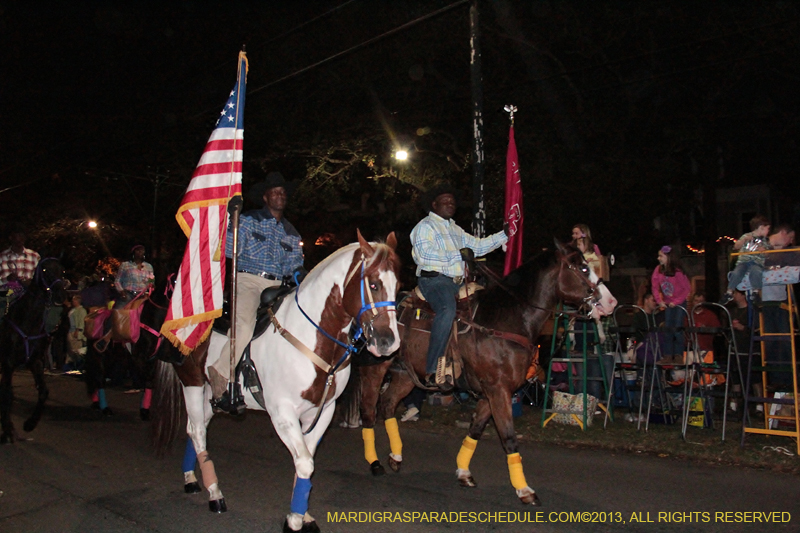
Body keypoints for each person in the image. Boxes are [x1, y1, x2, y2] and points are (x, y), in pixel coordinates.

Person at [209, 171, 304, 411]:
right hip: (248, 280)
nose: (280, 196)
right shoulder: (249, 220)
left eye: (283, 193)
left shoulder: (291, 232)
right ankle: (220, 374)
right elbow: (229, 249)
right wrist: (233, 218)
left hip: (277, 286)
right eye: (275, 192)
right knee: (243, 326)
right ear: (265, 197)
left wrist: (299, 273)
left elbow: (293, 264)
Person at [411, 183, 508, 390]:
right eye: (445, 201)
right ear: (434, 204)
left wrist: (504, 234)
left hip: (457, 282)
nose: (450, 204)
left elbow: (479, 245)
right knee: (447, 310)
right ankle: (432, 369)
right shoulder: (424, 227)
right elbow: (424, 255)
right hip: (435, 281)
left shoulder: (455, 229)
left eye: (452, 202)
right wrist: (458, 254)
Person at [760, 223, 795, 389]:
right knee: (770, 342)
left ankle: (789, 380)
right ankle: (774, 379)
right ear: (783, 233)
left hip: (781, 302)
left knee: (786, 341)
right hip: (766, 302)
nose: (790, 242)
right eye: (790, 237)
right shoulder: (763, 248)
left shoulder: (784, 253)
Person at [720, 215, 771, 305]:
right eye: (767, 229)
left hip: (756, 262)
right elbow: (736, 247)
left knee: (756, 271)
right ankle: (729, 292)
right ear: (761, 228)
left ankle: (756, 291)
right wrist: (743, 240)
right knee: (736, 273)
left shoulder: (765, 241)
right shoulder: (746, 236)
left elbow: (767, 255)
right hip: (744, 261)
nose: (768, 231)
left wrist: (763, 251)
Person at [651, 245, 691, 361]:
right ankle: (667, 355)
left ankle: (678, 355)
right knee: (668, 329)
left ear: (668, 257)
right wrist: (660, 301)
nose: (659, 258)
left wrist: (677, 301)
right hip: (668, 303)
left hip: (679, 303)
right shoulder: (658, 270)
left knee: (677, 328)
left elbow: (686, 289)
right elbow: (654, 287)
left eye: (661, 256)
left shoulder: (678, 272)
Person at [66, 294, 87, 371]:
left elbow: (81, 321)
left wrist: (78, 330)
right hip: (70, 330)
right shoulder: (73, 310)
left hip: (75, 331)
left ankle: (78, 367)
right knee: (71, 350)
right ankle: (71, 366)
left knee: (76, 350)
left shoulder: (82, 310)